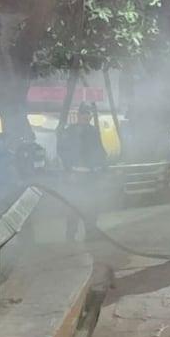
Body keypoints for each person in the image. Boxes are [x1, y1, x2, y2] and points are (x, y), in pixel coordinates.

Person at [57, 103, 109, 241]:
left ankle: (90, 231)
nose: (86, 118)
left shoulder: (93, 131)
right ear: (79, 116)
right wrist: (69, 169)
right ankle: (71, 233)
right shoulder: (70, 131)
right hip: (76, 175)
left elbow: (100, 150)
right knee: (74, 205)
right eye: (84, 115)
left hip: (91, 175)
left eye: (88, 116)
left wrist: (103, 166)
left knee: (92, 205)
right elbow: (62, 151)